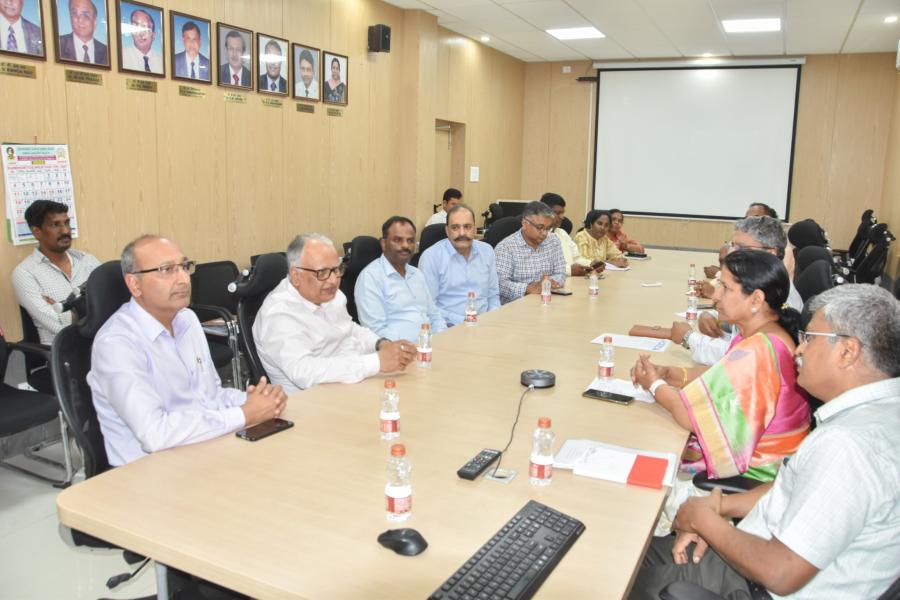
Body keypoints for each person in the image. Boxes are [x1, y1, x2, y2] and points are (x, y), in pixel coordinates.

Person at [630, 284, 900, 600]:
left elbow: (781, 573)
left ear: (847, 351)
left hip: (752, 584)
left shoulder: (849, 446)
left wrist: (707, 523)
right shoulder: (879, 414)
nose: (799, 350)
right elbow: (797, 488)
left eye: (810, 339)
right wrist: (722, 506)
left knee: (614, 570)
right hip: (750, 550)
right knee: (632, 545)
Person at [88, 235, 287, 468]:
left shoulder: (187, 319)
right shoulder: (116, 343)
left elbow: (210, 396)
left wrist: (258, 401)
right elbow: (154, 434)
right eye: (167, 270)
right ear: (134, 284)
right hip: (148, 469)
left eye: (184, 267)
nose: (183, 279)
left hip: (200, 448)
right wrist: (244, 414)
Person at [631, 250, 810, 488]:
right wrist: (670, 374)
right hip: (765, 461)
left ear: (756, 300)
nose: (715, 295)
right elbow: (721, 375)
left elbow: (693, 419)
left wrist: (655, 386)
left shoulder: (759, 351)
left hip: (758, 475)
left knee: (646, 463)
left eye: (725, 288)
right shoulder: (762, 333)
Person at [254, 234, 416, 394]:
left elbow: (350, 329)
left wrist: (381, 344)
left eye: (336, 269)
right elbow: (304, 372)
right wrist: (376, 362)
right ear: (296, 276)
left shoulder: (329, 294)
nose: (333, 280)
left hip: (351, 383)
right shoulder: (278, 314)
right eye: (322, 272)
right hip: (312, 400)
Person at [12, 200, 100, 344]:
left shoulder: (88, 261)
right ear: (36, 232)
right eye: (55, 225)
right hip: (63, 351)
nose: (65, 231)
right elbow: (58, 327)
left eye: (66, 223)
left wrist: (66, 311)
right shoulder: (25, 274)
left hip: (101, 342)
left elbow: (111, 305)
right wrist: (87, 310)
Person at [355, 216, 447, 341]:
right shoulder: (370, 278)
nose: (405, 245)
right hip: (400, 350)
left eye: (410, 241)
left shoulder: (417, 274)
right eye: (398, 240)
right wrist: (412, 348)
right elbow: (376, 331)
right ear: (383, 243)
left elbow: (434, 315)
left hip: (430, 345)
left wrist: (442, 338)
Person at [418, 204, 500, 326]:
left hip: (485, 325)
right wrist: (465, 321)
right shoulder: (431, 257)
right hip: (448, 328)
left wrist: (493, 319)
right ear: (447, 231)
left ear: (474, 230)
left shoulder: (487, 251)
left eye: (467, 227)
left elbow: (493, 295)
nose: (462, 233)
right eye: (455, 227)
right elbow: (428, 307)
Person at [494, 200, 566, 304]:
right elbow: (500, 284)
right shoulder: (506, 247)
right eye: (540, 227)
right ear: (525, 223)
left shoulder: (553, 240)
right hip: (517, 306)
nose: (544, 233)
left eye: (548, 228)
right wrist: (528, 288)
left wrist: (550, 283)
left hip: (547, 300)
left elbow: (561, 272)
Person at [541, 192, 600, 276]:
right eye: (557, 213)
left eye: (562, 213)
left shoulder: (562, 233)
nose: (562, 217)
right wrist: (570, 270)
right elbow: (542, 267)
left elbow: (576, 258)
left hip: (571, 280)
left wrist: (591, 264)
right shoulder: (538, 236)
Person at [58, 0, 108, 64]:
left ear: (94, 22)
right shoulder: (58, 44)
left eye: (85, 15)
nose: (80, 20)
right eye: (74, 13)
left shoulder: (106, 52)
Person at [121, 8, 162, 74]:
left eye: (146, 28)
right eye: (136, 27)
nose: (141, 33)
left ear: (153, 35)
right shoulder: (122, 55)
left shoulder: (162, 61)